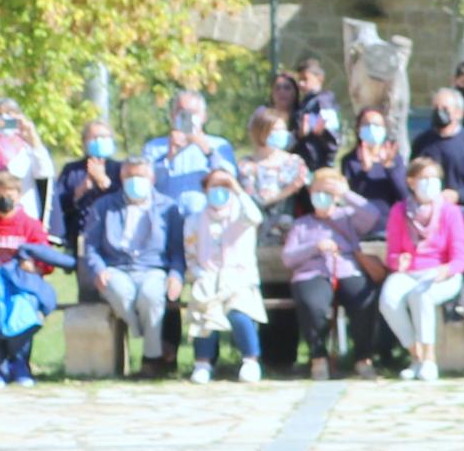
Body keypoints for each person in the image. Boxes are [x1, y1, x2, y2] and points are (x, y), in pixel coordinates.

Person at [76, 154, 180, 371]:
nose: (135, 181)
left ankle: (150, 360)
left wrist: (176, 275)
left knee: (151, 297)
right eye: (129, 176)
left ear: (151, 178)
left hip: (153, 268)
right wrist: (99, 269)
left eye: (140, 176)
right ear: (121, 178)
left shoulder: (168, 207)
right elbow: (91, 245)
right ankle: (142, 333)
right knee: (121, 293)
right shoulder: (104, 206)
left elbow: (177, 249)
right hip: (116, 267)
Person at [375, 155, 464, 381]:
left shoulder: (451, 212)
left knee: (422, 296)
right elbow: (393, 253)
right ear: (411, 181)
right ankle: (415, 354)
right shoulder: (399, 211)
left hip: (442, 272)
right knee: (388, 299)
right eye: (424, 178)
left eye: (434, 178)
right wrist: (397, 261)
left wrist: (445, 270)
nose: (430, 183)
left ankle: (429, 359)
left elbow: (460, 259)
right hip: (410, 271)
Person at [0, 170, 63, 384]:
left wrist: (32, 266)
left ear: (19, 195)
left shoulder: (31, 226)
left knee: (24, 310)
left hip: (22, 285)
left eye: (10, 193)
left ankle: (20, 363)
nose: (5, 198)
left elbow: (46, 261)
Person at [283, 172, 384, 376]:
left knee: (363, 299)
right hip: (312, 273)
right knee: (313, 304)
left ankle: (363, 357)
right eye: (317, 191)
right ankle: (318, 356)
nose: (321, 196)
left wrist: (345, 193)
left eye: (327, 191)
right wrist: (314, 247)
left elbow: (372, 214)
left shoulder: (348, 217)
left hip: (346, 269)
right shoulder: (301, 224)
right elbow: (288, 258)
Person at [181, 165, 269, 382]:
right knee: (204, 312)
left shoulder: (241, 214)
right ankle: (202, 362)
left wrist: (237, 188)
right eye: (214, 186)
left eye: (224, 186)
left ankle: (250, 360)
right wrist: (198, 273)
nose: (219, 191)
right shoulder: (195, 220)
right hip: (207, 275)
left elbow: (255, 216)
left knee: (238, 313)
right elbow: (191, 253)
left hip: (239, 276)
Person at [412, 83, 464, 207]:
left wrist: (458, 195)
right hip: (429, 211)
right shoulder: (422, 142)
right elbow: (412, 176)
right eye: (435, 108)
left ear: (459, 113)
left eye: (445, 109)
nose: (439, 112)